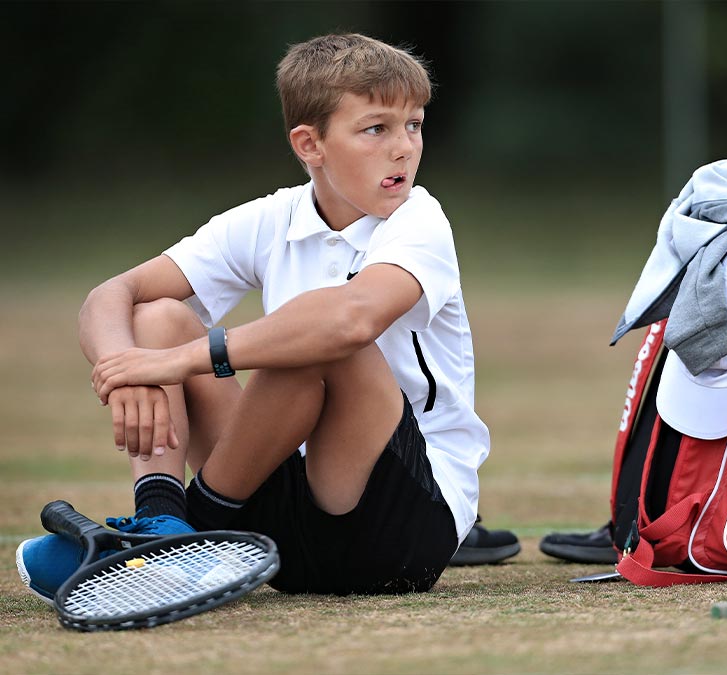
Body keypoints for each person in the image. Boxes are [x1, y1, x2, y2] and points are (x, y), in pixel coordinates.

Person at [17, 33, 516, 603]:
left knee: (320, 341)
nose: (404, 147)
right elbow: (114, 294)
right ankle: (164, 523)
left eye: (414, 125)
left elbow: (350, 322)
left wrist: (176, 361)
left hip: (401, 529)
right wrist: (123, 366)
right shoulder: (270, 219)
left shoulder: (419, 219)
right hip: (278, 522)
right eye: (376, 128)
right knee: (157, 317)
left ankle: (192, 536)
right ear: (310, 144)